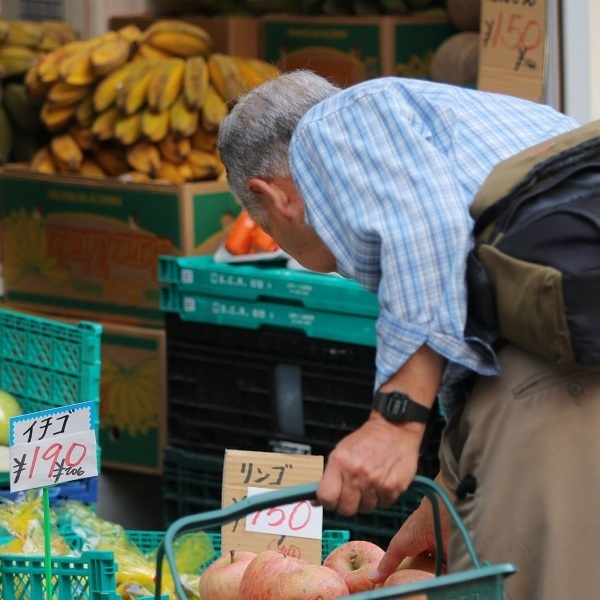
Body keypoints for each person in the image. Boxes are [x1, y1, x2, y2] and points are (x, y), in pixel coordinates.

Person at [216, 70, 593, 599]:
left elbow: (429, 235)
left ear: (273, 197)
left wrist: (394, 421)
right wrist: (444, 494)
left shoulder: (333, 127)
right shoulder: (468, 117)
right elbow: (463, 293)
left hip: (556, 376)